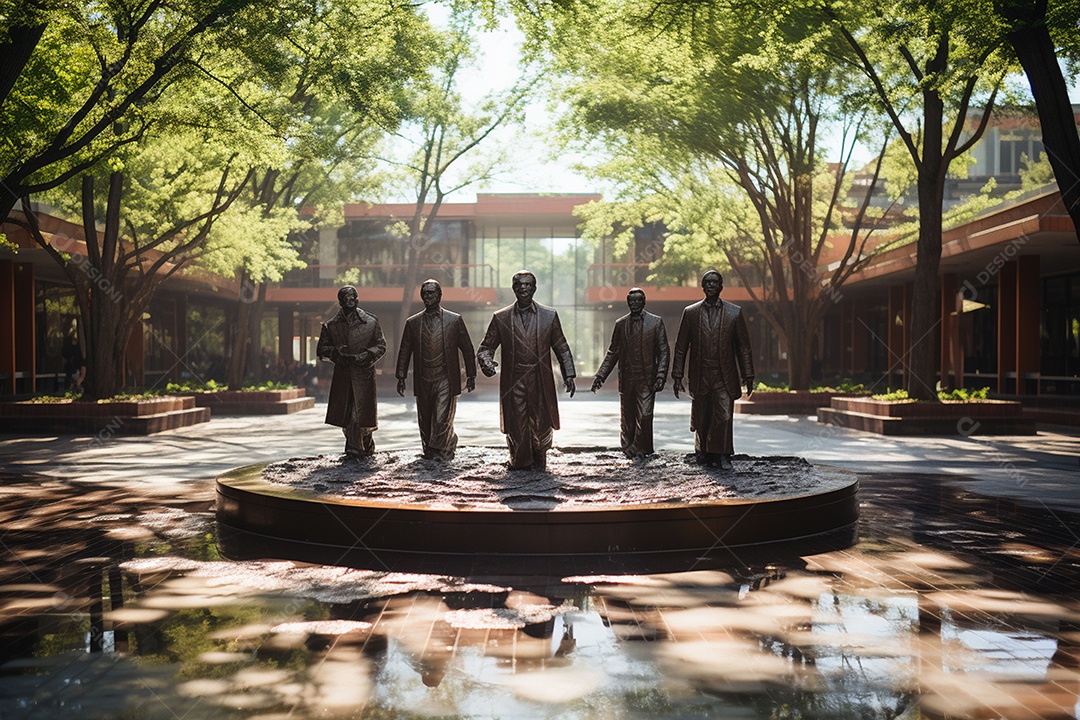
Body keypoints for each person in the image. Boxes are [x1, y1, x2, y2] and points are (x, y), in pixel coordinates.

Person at [477, 270, 576, 470]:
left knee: (541, 425)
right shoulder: (501, 318)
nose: (524, 288)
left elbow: (562, 347)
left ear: (534, 288)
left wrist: (569, 375)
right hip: (514, 381)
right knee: (518, 424)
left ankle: (539, 464)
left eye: (528, 284)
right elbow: (485, 348)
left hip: (540, 379)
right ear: (513, 288)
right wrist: (486, 362)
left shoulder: (549, 316)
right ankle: (520, 465)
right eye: (519, 284)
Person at [671, 270, 755, 470]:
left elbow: (743, 346)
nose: (710, 285)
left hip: (724, 374)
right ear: (702, 286)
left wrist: (748, 374)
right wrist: (677, 375)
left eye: (714, 282)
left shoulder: (734, 313)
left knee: (724, 416)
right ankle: (703, 452)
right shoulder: (690, 313)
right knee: (703, 415)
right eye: (707, 282)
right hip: (700, 374)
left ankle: (723, 454)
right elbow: (681, 346)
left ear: (721, 287)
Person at [395, 279, 477, 460]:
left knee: (441, 418)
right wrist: (400, 376)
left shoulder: (454, 320)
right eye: (425, 293)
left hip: (445, 378)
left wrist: (471, 374)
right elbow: (404, 350)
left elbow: (467, 348)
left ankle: (440, 453)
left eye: (432, 293)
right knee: (425, 419)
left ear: (440, 295)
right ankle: (435, 449)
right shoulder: (413, 323)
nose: (428, 296)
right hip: (423, 377)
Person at [591, 288, 670, 457]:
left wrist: (661, 375)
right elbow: (613, 352)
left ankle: (641, 448)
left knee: (645, 415)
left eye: (638, 300)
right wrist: (600, 375)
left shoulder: (655, 323)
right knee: (627, 417)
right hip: (627, 377)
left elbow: (663, 351)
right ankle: (628, 448)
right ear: (628, 302)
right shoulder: (621, 324)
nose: (634, 303)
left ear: (644, 302)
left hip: (647, 377)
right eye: (631, 301)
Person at [317, 285, 386, 458]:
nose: (350, 301)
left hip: (364, 377)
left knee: (359, 417)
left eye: (352, 297)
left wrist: (367, 355)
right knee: (348, 420)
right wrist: (335, 353)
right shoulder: (331, 325)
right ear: (340, 302)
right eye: (345, 298)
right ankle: (365, 447)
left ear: (357, 299)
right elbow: (322, 349)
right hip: (343, 378)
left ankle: (354, 452)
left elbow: (381, 346)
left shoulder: (371, 322)